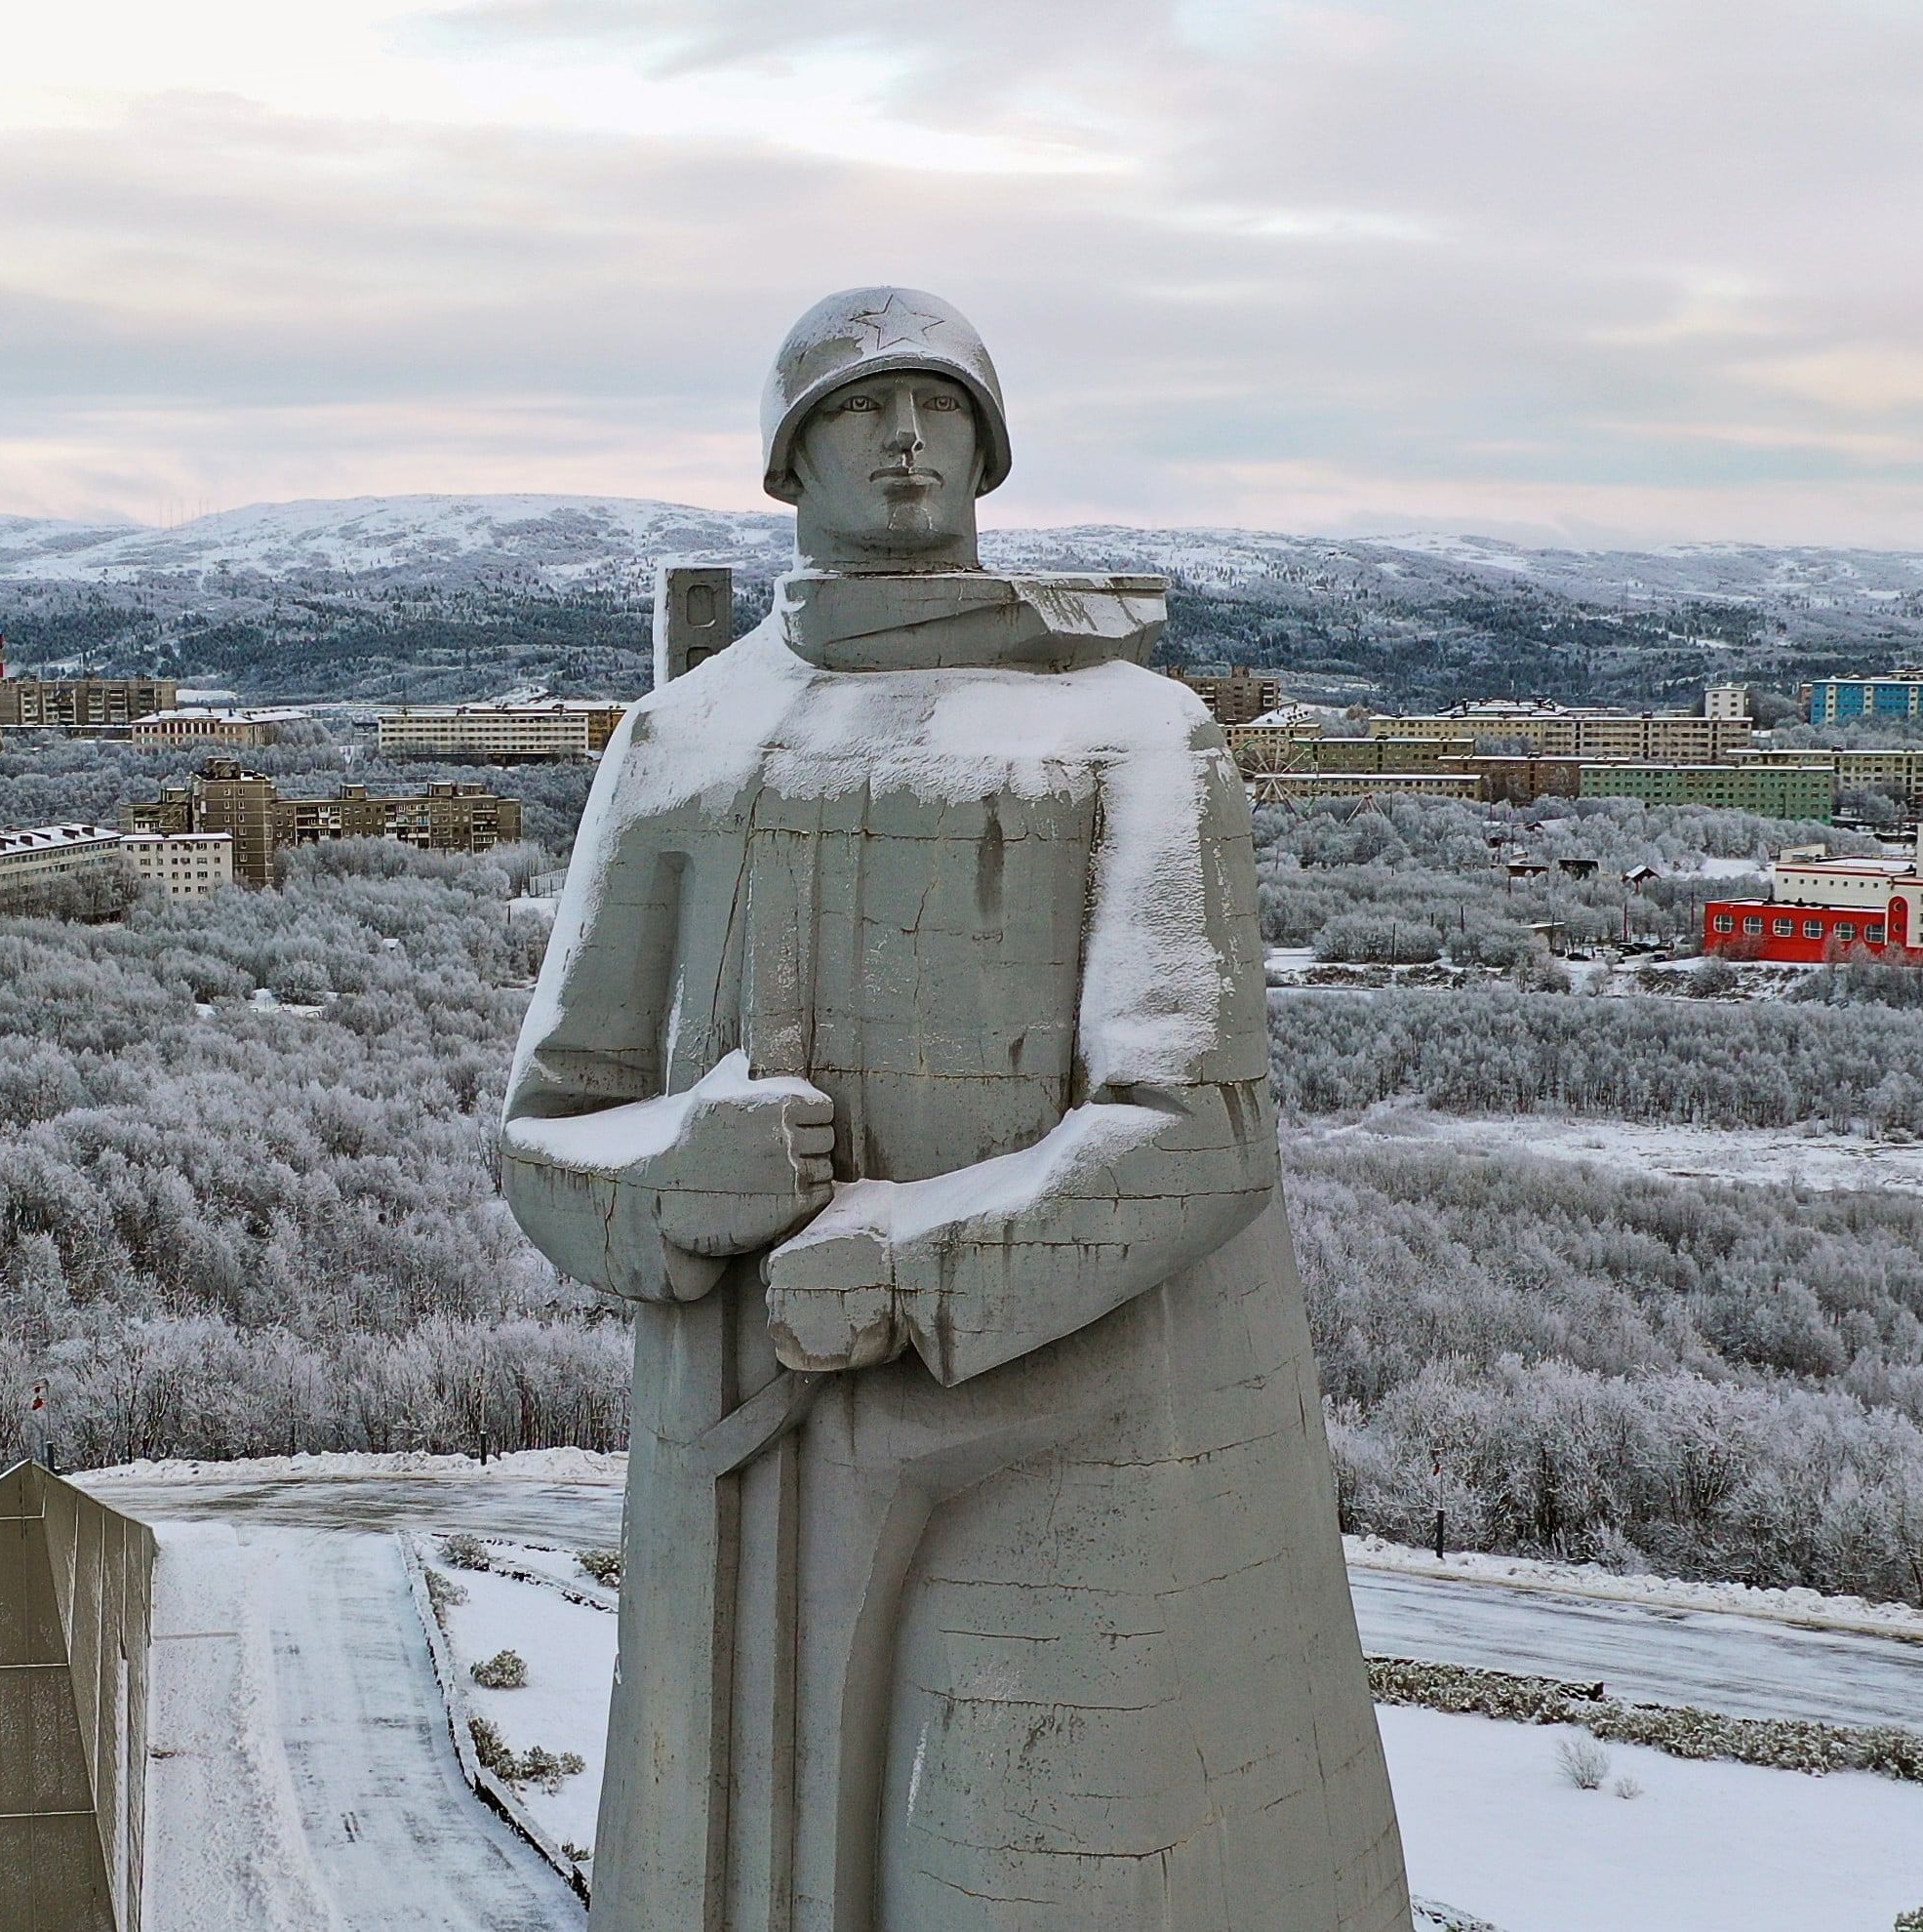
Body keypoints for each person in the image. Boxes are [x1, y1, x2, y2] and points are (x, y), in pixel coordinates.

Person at [501, 286, 1411, 1932]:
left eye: (939, 408)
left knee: (1011, 1871)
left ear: (988, 445)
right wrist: (674, 1181)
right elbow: (549, 1126)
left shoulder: (1128, 727)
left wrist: (911, 1261)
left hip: (1074, 1427)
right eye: (858, 410)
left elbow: (1194, 1121)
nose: (905, 440)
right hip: (743, 1462)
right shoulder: (677, 740)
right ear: (789, 462)